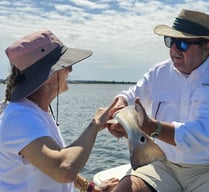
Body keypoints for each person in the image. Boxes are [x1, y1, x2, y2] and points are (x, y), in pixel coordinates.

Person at [108, 9, 209, 192]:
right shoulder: (159, 72)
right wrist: (119, 108)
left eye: (183, 43)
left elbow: (205, 134)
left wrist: (154, 128)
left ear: (207, 47)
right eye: (170, 41)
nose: (174, 49)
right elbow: (131, 95)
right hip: (163, 163)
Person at [0, 30, 119, 192]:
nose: (70, 70)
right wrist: (95, 124)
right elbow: (63, 169)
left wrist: (88, 187)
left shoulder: (35, 111)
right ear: (48, 76)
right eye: (65, 65)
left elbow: (48, 160)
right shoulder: (20, 117)